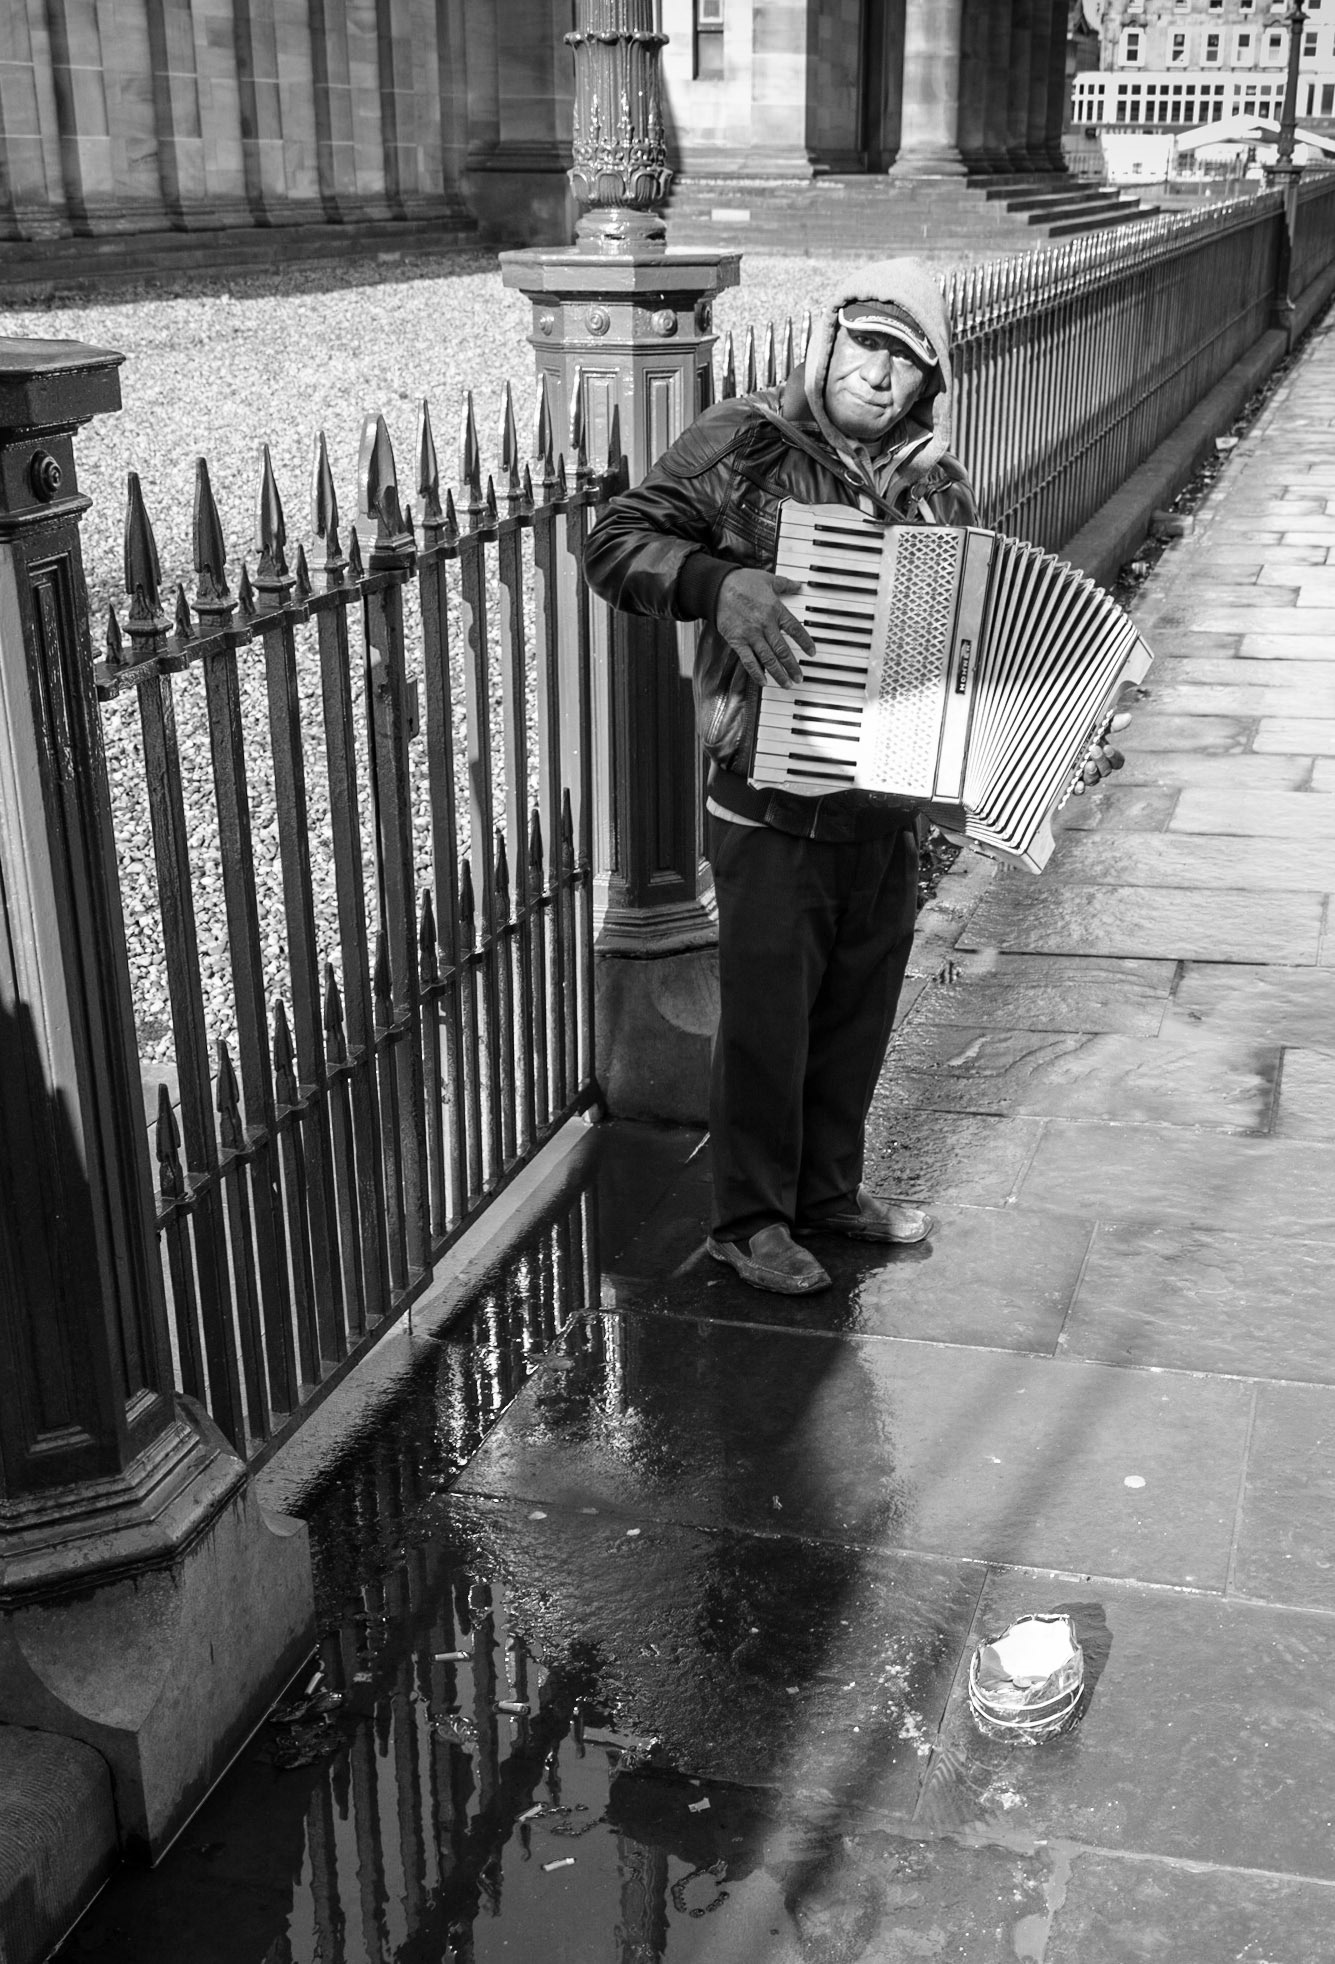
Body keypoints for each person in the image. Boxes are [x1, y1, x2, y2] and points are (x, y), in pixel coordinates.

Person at [583, 257, 978, 1297]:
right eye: (868, 345)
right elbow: (616, 541)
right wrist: (718, 584)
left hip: (882, 799)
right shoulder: (749, 442)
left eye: (907, 360)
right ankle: (748, 1220)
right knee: (766, 1024)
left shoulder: (935, 483)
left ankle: (826, 1195)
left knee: (856, 1010)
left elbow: (954, 633)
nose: (882, 375)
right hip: (766, 790)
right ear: (830, 340)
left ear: (930, 383)